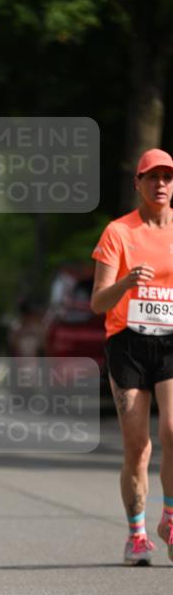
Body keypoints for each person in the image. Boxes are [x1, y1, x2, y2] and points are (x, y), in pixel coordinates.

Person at [91, 148, 173, 565]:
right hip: (128, 344)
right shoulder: (119, 233)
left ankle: (171, 518)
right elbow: (97, 302)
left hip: (170, 341)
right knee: (138, 446)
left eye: (167, 176)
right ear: (138, 184)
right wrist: (125, 282)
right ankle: (136, 534)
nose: (160, 184)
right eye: (152, 177)